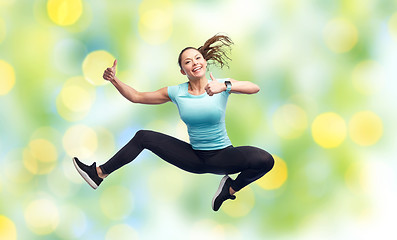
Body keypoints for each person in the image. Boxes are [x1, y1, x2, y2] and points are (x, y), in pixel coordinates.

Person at [73, 34, 274, 212]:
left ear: (204, 61)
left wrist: (225, 85)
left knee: (266, 160)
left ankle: (229, 189)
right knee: (143, 137)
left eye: (197, 58)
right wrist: (114, 80)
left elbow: (253, 87)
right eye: (187, 62)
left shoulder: (220, 84)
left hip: (223, 156)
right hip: (194, 157)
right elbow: (136, 96)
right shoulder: (176, 92)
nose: (194, 63)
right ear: (182, 70)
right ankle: (99, 173)